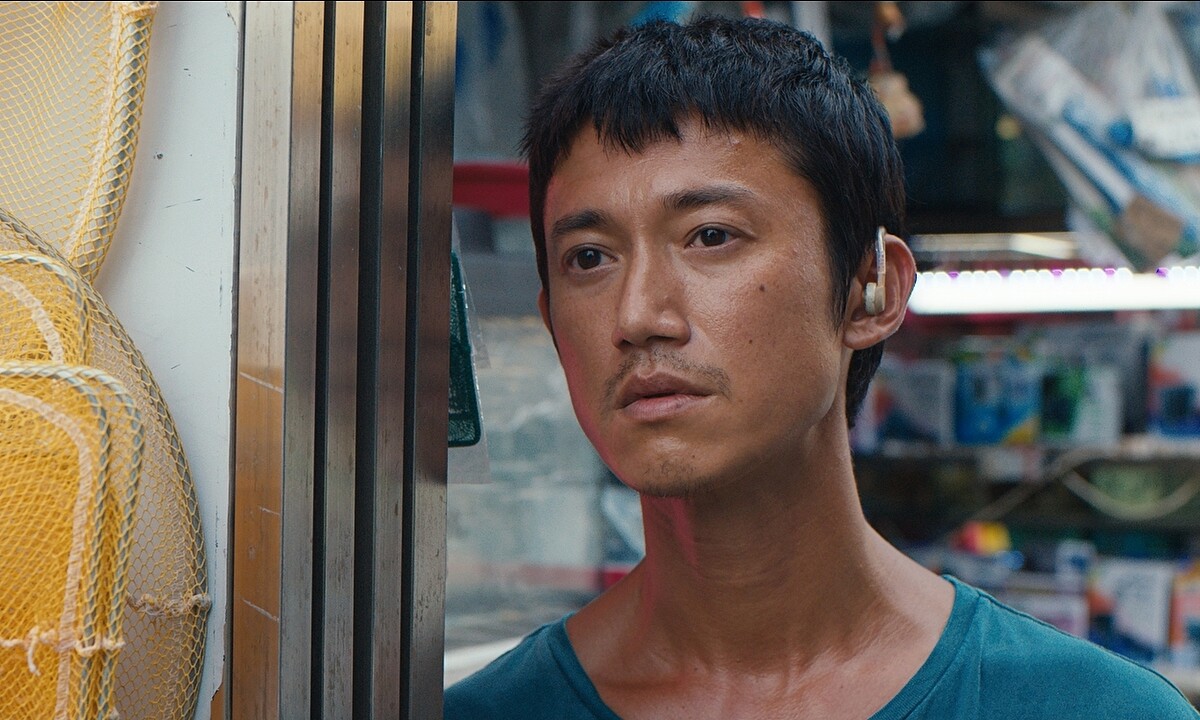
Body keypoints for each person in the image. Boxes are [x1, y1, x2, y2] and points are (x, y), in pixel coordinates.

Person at [445, 14, 1199, 720]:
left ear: (873, 290)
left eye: (711, 236)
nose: (637, 314)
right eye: (589, 258)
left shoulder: (1088, 709)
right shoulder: (489, 712)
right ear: (551, 322)